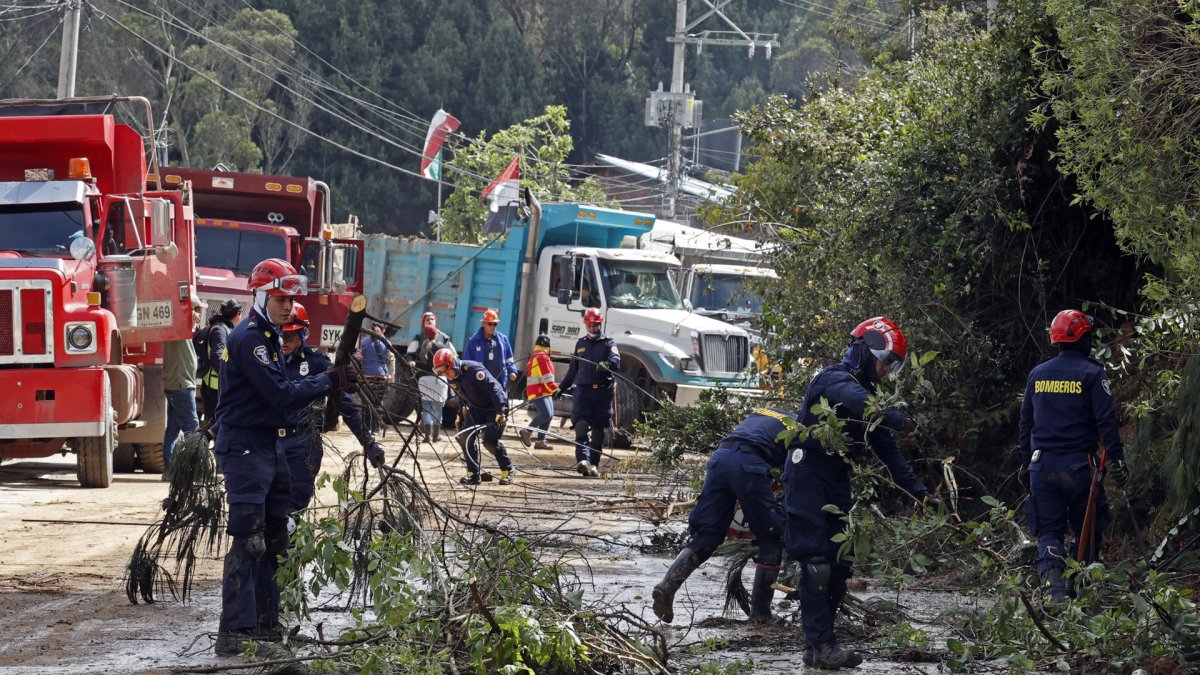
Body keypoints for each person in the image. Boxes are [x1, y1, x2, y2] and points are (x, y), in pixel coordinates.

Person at [211, 258, 357, 657]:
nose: (288, 306)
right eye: (280, 298)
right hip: (245, 446)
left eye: (291, 299)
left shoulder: (271, 336)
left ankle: (266, 622)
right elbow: (279, 393)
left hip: (268, 444)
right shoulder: (251, 339)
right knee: (249, 539)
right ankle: (234, 630)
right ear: (260, 295)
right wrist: (327, 382)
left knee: (277, 536)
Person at [783, 316, 930, 669]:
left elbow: (887, 450)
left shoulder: (871, 396)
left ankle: (816, 647)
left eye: (893, 365)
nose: (885, 369)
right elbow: (860, 403)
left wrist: (920, 492)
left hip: (836, 480)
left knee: (839, 565)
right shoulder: (832, 379)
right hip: (807, 476)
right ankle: (822, 644)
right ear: (866, 351)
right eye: (885, 360)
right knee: (816, 564)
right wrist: (897, 417)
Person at [1018, 309, 1128, 604]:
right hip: (1080, 467)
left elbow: (1025, 425)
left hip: (1042, 466)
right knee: (1087, 530)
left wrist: (1024, 463)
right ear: (1083, 338)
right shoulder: (1093, 373)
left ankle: (1056, 594)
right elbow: (1107, 421)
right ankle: (1079, 593)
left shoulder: (1037, 375)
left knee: (1049, 532)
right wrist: (1116, 460)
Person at [651, 407, 796, 625]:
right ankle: (760, 615)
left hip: (720, 460)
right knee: (771, 537)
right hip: (749, 463)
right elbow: (794, 478)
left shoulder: (766, 413)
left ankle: (668, 585)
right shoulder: (801, 428)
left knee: (708, 533)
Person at [279, 302, 383, 517]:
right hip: (270, 442)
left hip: (303, 443)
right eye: (279, 335)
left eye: (289, 336)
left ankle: (287, 546)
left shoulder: (315, 360)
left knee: (294, 507)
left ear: (302, 334)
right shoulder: (266, 359)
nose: (283, 341)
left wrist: (368, 443)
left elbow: (344, 405)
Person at [432, 348, 514, 486]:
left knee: (489, 441)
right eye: (440, 372)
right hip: (477, 408)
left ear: (453, 364)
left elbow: (495, 390)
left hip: (494, 407)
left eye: (445, 370)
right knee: (466, 438)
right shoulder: (452, 378)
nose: (445, 375)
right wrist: (461, 413)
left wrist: (501, 412)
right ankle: (474, 475)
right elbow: (462, 396)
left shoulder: (474, 370)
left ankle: (507, 470)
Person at [554, 307, 620, 477]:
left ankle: (594, 465)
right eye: (589, 325)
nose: (592, 329)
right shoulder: (581, 344)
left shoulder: (608, 343)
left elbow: (616, 360)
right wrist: (561, 387)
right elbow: (573, 369)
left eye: (595, 325)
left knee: (598, 431)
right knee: (581, 426)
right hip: (582, 392)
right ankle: (583, 460)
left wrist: (608, 365)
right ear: (586, 325)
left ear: (600, 325)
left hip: (601, 394)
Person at [162, 294, 204, 478]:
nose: (198, 315)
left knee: (172, 428)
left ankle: (170, 468)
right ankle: (195, 469)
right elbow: (181, 313)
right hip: (181, 385)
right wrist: (188, 311)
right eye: (196, 311)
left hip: (176, 384)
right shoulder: (180, 328)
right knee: (192, 429)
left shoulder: (179, 330)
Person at [198, 299, 243, 425]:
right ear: (237, 314)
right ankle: (203, 445)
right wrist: (229, 378)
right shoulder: (220, 330)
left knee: (214, 426)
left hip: (216, 386)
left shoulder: (223, 328)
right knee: (215, 426)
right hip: (215, 389)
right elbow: (217, 356)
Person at [406, 320, 450, 442]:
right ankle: (435, 436)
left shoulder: (421, 347)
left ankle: (426, 436)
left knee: (426, 409)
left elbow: (410, 357)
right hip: (438, 380)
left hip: (424, 380)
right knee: (438, 409)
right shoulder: (441, 347)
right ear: (436, 334)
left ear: (425, 335)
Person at [519, 335, 558, 451]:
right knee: (546, 414)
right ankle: (527, 431)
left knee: (549, 415)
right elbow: (546, 376)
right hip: (538, 391)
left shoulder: (539, 355)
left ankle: (541, 440)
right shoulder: (541, 356)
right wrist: (554, 389)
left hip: (543, 391)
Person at [465, 308, 518, 389]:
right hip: (481, 384)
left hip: (499, 383)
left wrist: (512, 371)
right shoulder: (474, 341)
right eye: (490, 324)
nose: (492, 327)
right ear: (483, 323)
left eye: (494, 324)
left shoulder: (503, 340)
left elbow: (509, 359)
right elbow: (467, 363)